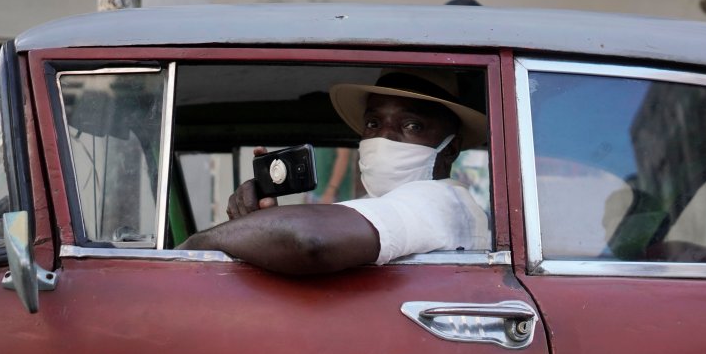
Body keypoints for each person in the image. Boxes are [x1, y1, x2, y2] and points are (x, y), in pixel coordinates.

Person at [177, 69, 490, 274]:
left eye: (411, 125)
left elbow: (309, 240)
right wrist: (259, 226)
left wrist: (192, 247)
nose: (384, 138)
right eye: (373, 124)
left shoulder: (440, 201)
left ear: (450, 148)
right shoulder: (396, 201)